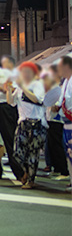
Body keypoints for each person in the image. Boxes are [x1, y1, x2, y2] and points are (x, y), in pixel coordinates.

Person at [8, 61, 47, 189]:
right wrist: (8, 89)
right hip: (22, 122)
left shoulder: (38, 85)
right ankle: (26, 171)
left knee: (33, 153)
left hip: (37, 122)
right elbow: (11, 102)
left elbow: (37, 99)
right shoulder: (20, 87)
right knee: (17, 152)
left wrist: (23, 87)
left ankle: (31, 179)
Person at [42, 68, 68, 178]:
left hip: (57, 119)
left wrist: (56, 106)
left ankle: (63, 170)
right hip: (50, 119)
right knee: (52, 145)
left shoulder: (61, 88)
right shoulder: (53, 87)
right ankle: (57, 168)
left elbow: (60, 102)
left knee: (57, 145)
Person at [53, 56, 72, 191]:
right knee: (69, 153)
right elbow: (61, 100)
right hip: (66, 121)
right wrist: (55, 106)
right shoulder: (65, 81)